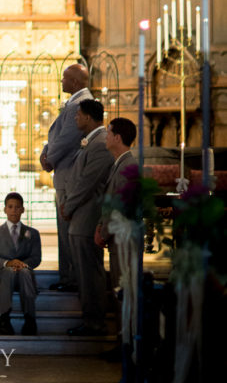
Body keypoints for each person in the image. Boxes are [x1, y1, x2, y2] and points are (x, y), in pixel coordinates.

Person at [61, 99, 114, 337]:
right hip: (80, 218)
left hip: (87, 217)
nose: (75, 118)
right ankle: (90, 319)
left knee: (90, 274)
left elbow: (87, 182)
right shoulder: (92, 141)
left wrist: (69, 205)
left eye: (78, 115)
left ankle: (95, 322)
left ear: (89, 118)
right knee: (84, 274)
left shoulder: (100, 144)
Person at [39, 63, 92, 292]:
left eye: (64, 78)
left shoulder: (78, 105)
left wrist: (49, 158)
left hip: (69, 172)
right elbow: (58, 135)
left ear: (76, 83)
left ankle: (70, 277)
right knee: (65, 228)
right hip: (65, 169)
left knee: (67, 228)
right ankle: (68, 275)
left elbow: (68, 138)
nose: (61, 81)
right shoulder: (75, 102)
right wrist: (47, 150)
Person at [95, 116, 138, 361]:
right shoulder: (119, 163)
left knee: (124, 291)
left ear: (118, 138)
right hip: (117, 238)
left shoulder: (127, 165)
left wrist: (104, 231)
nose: (106, 137)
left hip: (123, 240)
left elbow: (120, 206)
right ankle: (124, 341)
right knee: (120, 290)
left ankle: (127, 345)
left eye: (109, 133)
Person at [0, 192, 42, 336]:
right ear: (5, 209)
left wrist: (22, 264)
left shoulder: (33, 233)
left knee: (24, 272)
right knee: (9, 271)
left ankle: (30, 320)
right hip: (5, 273)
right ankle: (4, 319)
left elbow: (36, 257)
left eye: (17, 207)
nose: (14, 210)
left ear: (23, 210)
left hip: (24, 272)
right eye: (10, 207)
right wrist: (8, 263)